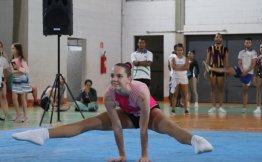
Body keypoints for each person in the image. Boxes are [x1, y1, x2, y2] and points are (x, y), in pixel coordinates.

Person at [12, 62, 213, 162]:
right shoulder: (109, 94)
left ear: (129, 78)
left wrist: (144, 156)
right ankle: (42, 134)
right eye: (112, 76)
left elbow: (142, 129)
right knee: (87, 123)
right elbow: (117, 127)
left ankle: (196, 140)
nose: (114, 79)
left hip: (148, 113)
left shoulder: (141, 92)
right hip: (126, 114)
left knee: (170, 127)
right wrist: (123, 156)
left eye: (119, 76)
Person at [203, 37, 257, 113]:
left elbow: (253, 64)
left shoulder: (254, 52)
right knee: (227, 69)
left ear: (251, 44)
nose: (247, 43)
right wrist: (241, 69)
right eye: (246, 42)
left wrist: (246, 71)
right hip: (240, 70)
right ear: (244, 43)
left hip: (248, 73)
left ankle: (244, 108)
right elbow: (239, 62)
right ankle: (210, 68)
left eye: (249, 42)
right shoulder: (241, 52)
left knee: (245, 91)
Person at [204, 33, 228, 113]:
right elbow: (207, 60)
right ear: (214, 39)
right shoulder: (210, 48)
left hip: (221, 69)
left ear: (222, 39)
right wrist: (206, 70)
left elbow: (226, 61)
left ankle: (221, 106)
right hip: (212, 70)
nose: (218, 38)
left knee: (220, 89)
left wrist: (227, 70)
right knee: (212, 88)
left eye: (220, 37)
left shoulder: (225, 49)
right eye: (216, 37)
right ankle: (213, 106)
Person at [10, 43, 32, 122]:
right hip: (15, 79)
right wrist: (12, 70)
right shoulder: (12, 60)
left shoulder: (21, 59)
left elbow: (27, 70)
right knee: (14, 98)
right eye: (11, 48)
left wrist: (18, 68)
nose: (11, 50)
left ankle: (25, 116)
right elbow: (13, 71)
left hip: (22, 80)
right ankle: (18, 113)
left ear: (17, 50)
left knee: (23, 99)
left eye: (13, 48)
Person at [171, 43, 189, 114]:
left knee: (185, 95)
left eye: (181, 50)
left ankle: (186, 109)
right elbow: (174, 67)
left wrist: (178, 68)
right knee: (175, 95)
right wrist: (182, 68)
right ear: (176, 51)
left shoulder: (186, 59)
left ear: (183, 50)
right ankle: (173, 109)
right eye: (178, 50)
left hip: (184, 78)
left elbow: (187, 67)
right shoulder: (173, 58)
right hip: (175, 78)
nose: (179, 51)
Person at [0, 41, 9, 120]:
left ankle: (6, 115)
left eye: (1, 47)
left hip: (2, 79)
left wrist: (6, 57)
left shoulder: (3, 59)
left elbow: (7, 69)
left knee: (3, 96)